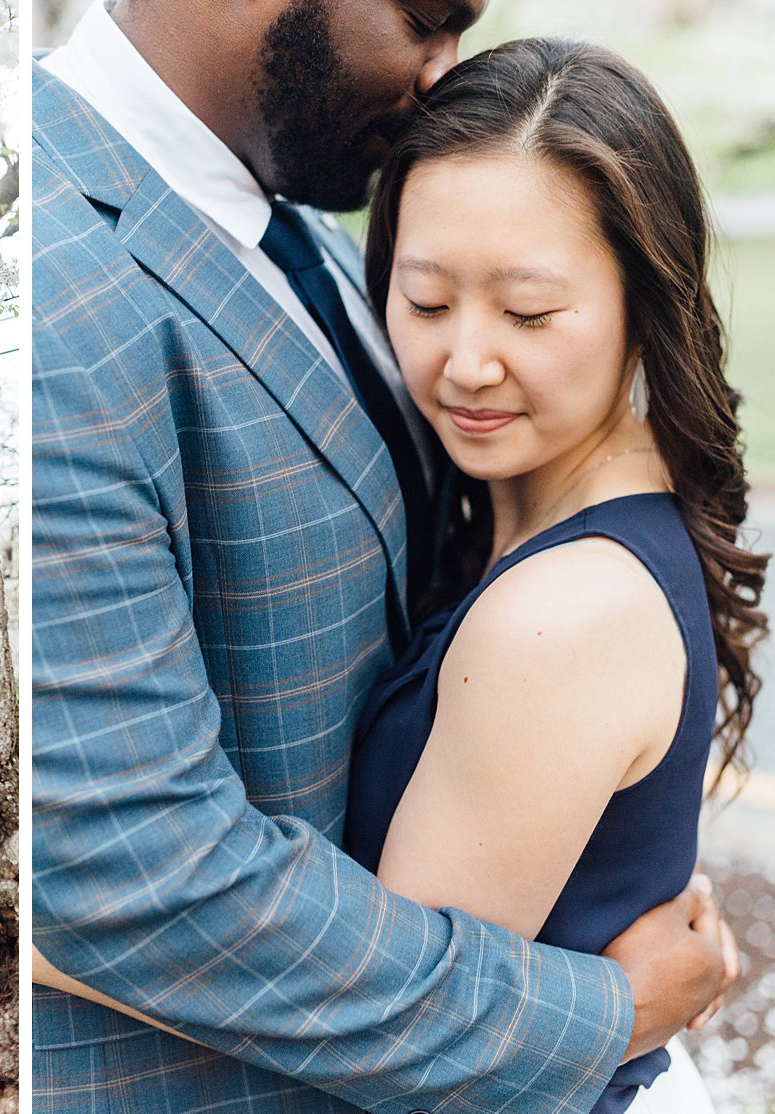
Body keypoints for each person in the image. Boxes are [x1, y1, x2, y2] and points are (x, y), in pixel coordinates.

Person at [31, 2, 738, 1111]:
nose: (439, 72)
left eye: (531, 311)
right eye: (423, 17)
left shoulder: (305, 220)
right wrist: (605, 1005)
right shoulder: (63, 291)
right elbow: (113, 871)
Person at [345, 37, 765, 1113]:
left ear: (645, 298)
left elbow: (399, 1040)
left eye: (529, 313)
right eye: (426, 301)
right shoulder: (538, 495)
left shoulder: (564, 611)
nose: (466, 362)